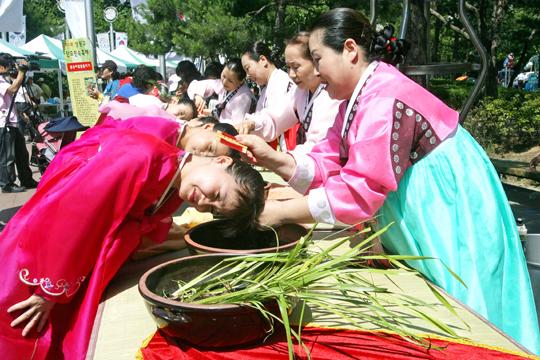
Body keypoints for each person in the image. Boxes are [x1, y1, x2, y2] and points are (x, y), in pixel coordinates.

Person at [237, 8, 540, 353]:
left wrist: (283, 213)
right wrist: (274, 159)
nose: (316, 71)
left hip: (447, 198)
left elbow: (358, 190)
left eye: (318, 58)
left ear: (349, 49)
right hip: (425, 200)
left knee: (462, 290)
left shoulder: (383, 97)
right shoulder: (354, 99)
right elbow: (330, 159)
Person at [0, 127, 265, 359]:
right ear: (221, 161)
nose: (206, 203)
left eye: (214, 209)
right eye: (217, 193)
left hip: (73, 267)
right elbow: (72, 216)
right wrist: (48, 291)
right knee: (20, 335)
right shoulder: (141, 156)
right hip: (40, 263)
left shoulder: (170, 179)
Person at [238, 32, 341, 154]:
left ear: (315, 62)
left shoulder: (332, 95)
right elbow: (275, 117)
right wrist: (252, 123)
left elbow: (320, 144)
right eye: (288, 67)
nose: (291, 74)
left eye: (296, 67)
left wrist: (276, 158)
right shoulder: (300, 91)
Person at [241, 41, 296, 150]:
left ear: (263, 60)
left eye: (248, 68)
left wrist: (252, 123)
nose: (247, 75)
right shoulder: (268, 86)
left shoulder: (281, 82)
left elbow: (274, 121)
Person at [0, 54, 38, 193]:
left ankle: (26, 179)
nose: (11, 68)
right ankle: (7, 184)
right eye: (9, 66)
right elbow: (13, 89)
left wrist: (21, 72)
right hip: (4, 123)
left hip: (13, 122)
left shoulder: (5, 78)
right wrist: (21, 72)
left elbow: (16, 82)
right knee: (7, 156)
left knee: (21, 154)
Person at [188, 58, 255, 125]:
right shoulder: (221, 84)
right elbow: (194, 85)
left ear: (241, 81)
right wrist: (198, 96)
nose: (224, 82)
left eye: (230, 81)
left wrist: (212, 119)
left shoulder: (244, 97)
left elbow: (237, 124)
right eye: (223, 76)